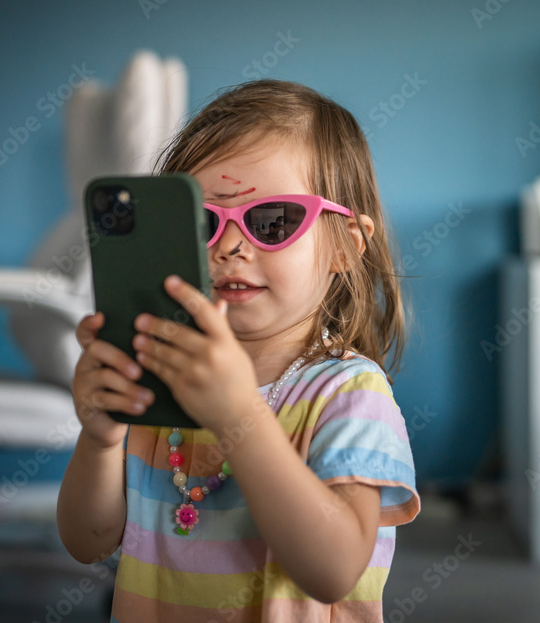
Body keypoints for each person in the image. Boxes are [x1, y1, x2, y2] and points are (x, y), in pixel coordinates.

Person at [57, 79, 420, 622]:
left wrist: (237, 414)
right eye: (202, 222)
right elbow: (88, 542)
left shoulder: (348, 394)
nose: (229, 246)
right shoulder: (165, 380)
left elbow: (333, 569)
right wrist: (101, 438)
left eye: (273, 220)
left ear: (345, 245)